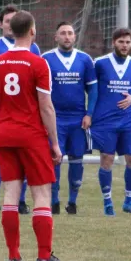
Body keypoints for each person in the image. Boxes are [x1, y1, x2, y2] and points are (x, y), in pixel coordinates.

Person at [0, 10, 71, 261]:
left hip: (5, 136)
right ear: (32, 30)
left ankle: (13, 255)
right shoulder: (39, 63)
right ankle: (44, 256)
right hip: (32, 137)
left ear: (11, 30)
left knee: (10, 193)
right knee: (41, 194)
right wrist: (54, 143)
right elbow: (46, 107)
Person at [0, 4, 41, 215]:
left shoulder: (34, 49)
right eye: (7, 20)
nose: (10, 24)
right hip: (0, 110)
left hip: (23, 112)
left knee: (20, 156)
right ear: (1, 24)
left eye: (13, 20)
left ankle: (21, 201)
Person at [42, 21, 97, 215]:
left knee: (76, 160)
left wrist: (89, 114)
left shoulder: (85, 60)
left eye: (70, 33)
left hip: (78, 120)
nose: (67, 36)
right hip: (55, 119)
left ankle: (72, 202)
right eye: (63, 33)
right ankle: (55, 201)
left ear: (74, 37)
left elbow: (93, 89)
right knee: (54, 159)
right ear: (56, 37)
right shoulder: (46, 59)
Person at [90, 27, 131, 217]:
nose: (125, 45)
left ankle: (129, 201)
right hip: (105, 120)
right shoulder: (100, 63)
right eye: (121, 42)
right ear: (114, 42)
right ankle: (108, 203)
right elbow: (90, 88)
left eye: (128, 42)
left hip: (127, 119)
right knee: (107, 159)